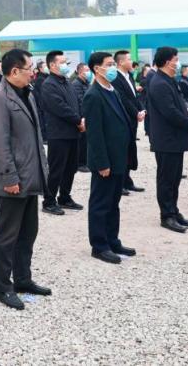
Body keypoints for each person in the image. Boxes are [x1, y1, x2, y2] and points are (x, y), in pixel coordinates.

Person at [0, 48, 51, 310]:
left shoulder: (27, 93)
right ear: (14, 71)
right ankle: (3, 286)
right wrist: (9, 177)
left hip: (30, 176)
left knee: (28, 232)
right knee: (6, 236)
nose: (33, 73)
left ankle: (23, 279)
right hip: (13, 180)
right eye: (29, 69)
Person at [82, 52, 136, 264]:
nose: (113, 67)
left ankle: (112, 240)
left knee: (114, 202)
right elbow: (94, 135)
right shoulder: (94, 95)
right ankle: (99, 245)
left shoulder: (112, 90)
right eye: (109, 64)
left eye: (114, 63)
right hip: (105, 161)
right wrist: (102, 163)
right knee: (101, 203)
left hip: (119, 158)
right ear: (97, 69)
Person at [145, 47, 188, 234]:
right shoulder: (159, 83)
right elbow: (170, 112)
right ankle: (167, 216)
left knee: (174, 179)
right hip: (166, 140)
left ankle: (174, 211)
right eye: (176, 59)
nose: (178, 63)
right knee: (166, 180)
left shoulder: (168, 80)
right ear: (168, 61)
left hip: (175, 139)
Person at [40, 50, 84, 215]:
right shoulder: (49, 84)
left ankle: (64, 197)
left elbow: (76, 103)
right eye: (63, 62)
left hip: (73, 132)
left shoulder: (66, 82)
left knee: (71, 167)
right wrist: (78, 120)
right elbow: (59, 107)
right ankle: (49, 201)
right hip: (59, 134)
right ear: (52, 65)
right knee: (57, 169)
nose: (66, 65)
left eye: (67, 62)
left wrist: (81, 119)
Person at [110, 51, 145, 194]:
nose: (132, 61)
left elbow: (134, 96)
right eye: (129, 59)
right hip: (124, 118)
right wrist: (135, 112)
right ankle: (120, 184)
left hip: (132, 119)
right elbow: (123, 99)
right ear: (120, 62)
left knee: (130, 149)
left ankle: (127, 181)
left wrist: (141, 109)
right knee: (122, 151)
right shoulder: (116, 78)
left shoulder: (129, 75)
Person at [71, 64, 92, 172]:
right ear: (80, 72)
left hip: (88, 116)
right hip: (82, 117)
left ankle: (87, 161)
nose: (89, 72)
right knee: (82, 142)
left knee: (87, 141)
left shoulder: (87, 83)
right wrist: (82, 118)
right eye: (86, 70)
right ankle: (80, 163)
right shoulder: (76, 84)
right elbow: (80, 102)